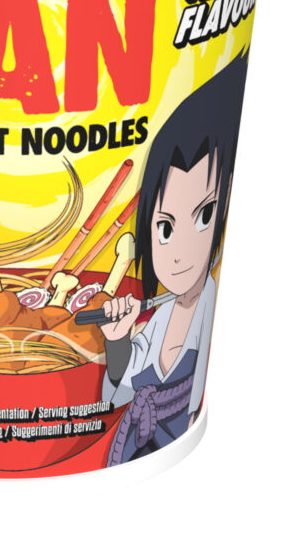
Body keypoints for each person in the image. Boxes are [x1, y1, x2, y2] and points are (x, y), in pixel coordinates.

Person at [100, 51, 248, 464]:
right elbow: (118, 393)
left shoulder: (205, 305)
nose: (179, 252)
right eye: (165, 228)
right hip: (133, 451)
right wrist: (117, 341)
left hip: (169, 455)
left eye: (203, 216)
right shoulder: (160, 315)